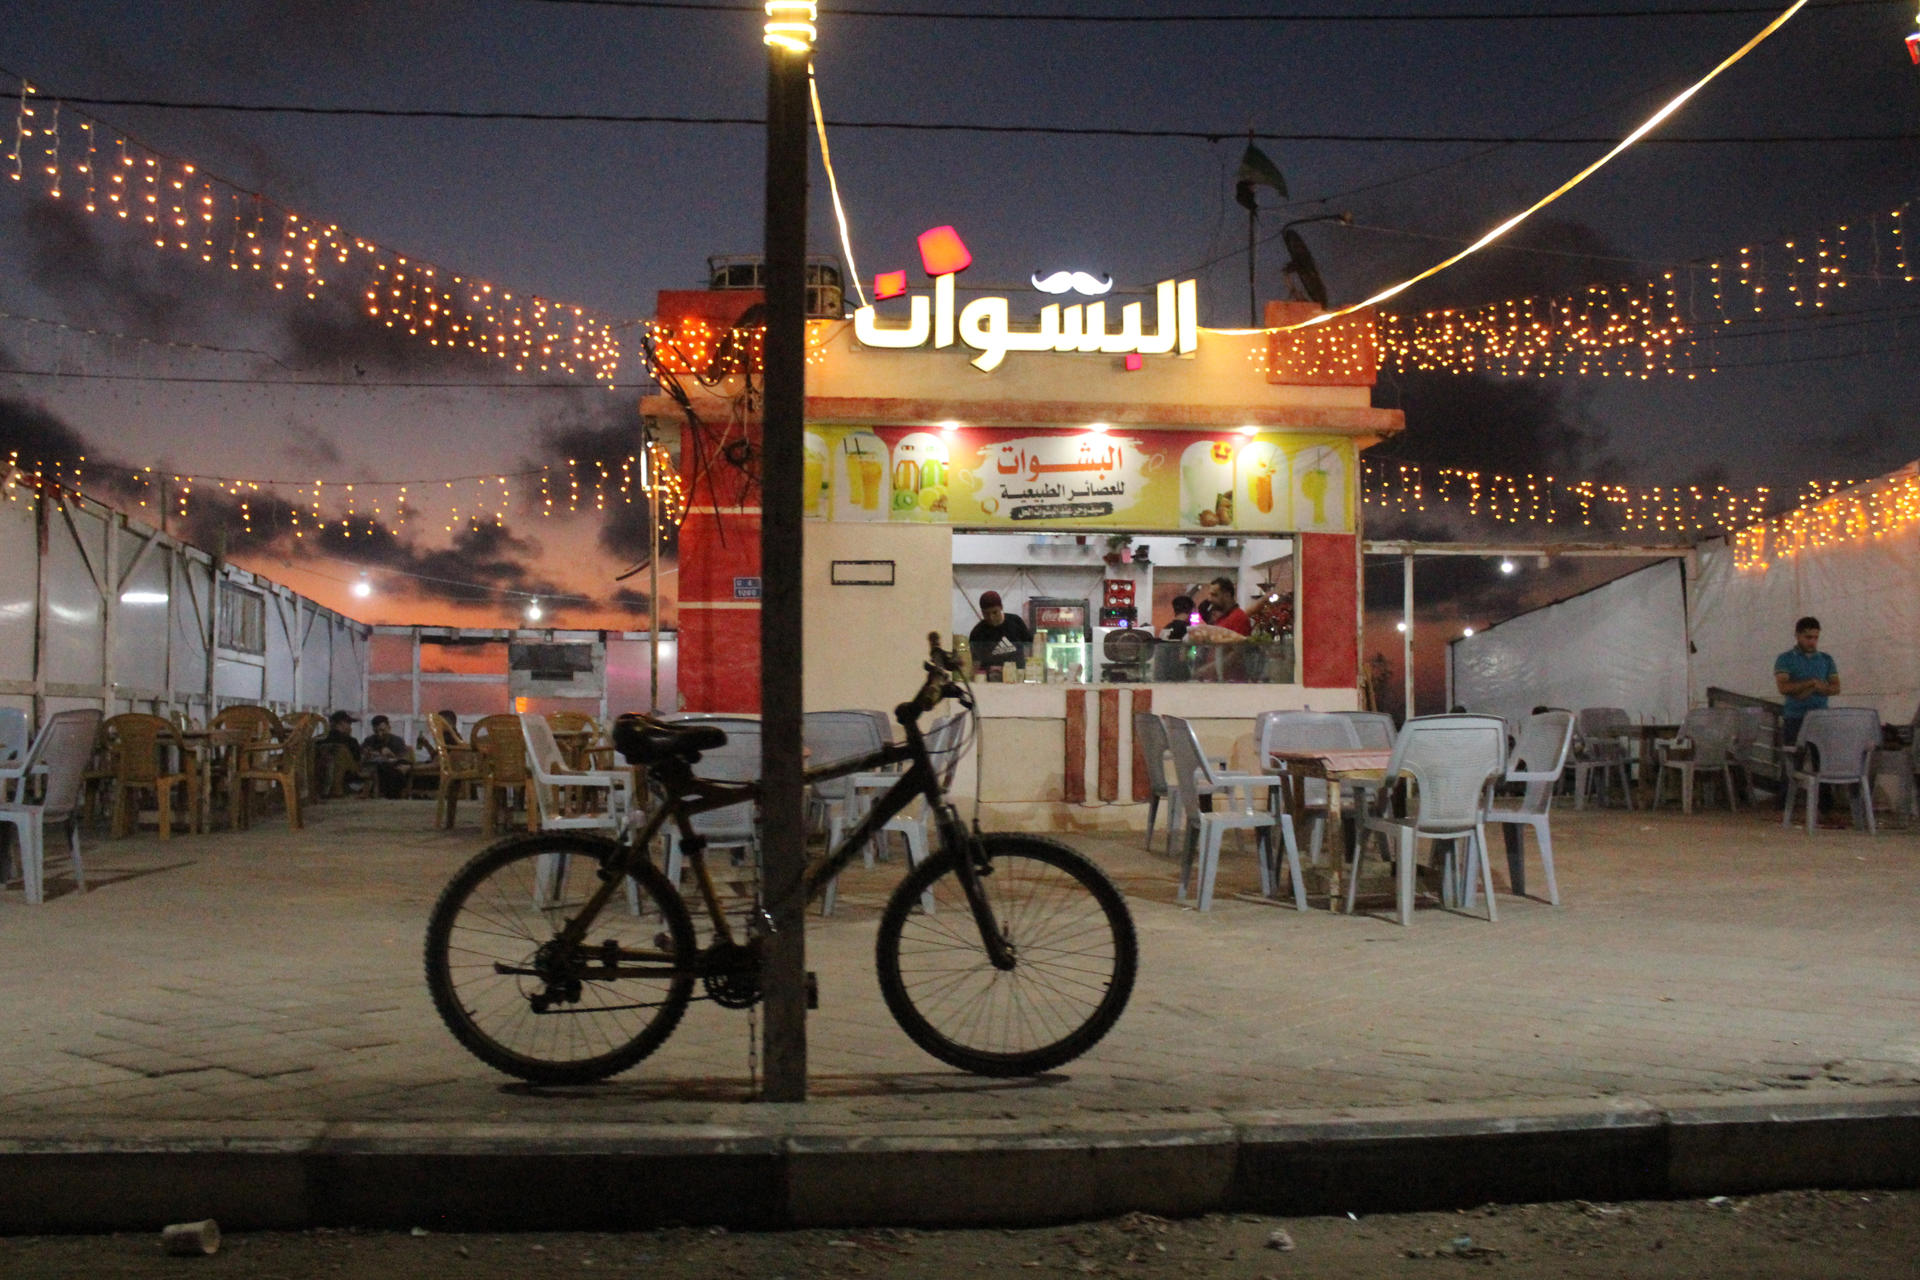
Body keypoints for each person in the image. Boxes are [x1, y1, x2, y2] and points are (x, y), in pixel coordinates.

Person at [1774, 616, 1843, 824]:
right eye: (1808, 637)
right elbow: (1784, 688)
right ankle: (1784, 807)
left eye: (1815, 637)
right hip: (1795, 717)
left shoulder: (1826, 659)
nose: (1812, 642)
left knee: (1822, 762)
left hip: (1820, 718)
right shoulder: (1785, 659)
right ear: (1797, 635)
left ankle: (1826, 809)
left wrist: (1807, 688)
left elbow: (1836, 688)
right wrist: (1814, 684)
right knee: (1791, 763)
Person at [967, 590, 1032, 680]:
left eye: (994, 612)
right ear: (981, 612)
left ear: (1001, 607)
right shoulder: (977, 632)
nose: (991, 617)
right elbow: (976, 664)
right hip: (990, 683)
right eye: (986, 614)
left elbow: (1030, 649)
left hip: (1017, 679)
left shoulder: (1016, 622)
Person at [360, 714, 413, 799]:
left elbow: (404, 758)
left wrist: (391, 754)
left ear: (389, 728)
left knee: (398, 768)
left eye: (382, 730)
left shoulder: (397, 740)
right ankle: (394, 795)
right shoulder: (369, 740)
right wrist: (369, 754)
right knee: (388, 769)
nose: (380, 734)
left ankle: (392, 795)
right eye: (376, 731)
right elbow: (362, 754)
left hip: (394, 766)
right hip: (379, 767)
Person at [316, 710, 363, 797]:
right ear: (342, 723)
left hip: (321, 776)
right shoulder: (351, 741)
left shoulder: (319, 740)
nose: (350, 727)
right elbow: (357, 764)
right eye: (349, 724)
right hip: (346, 776)